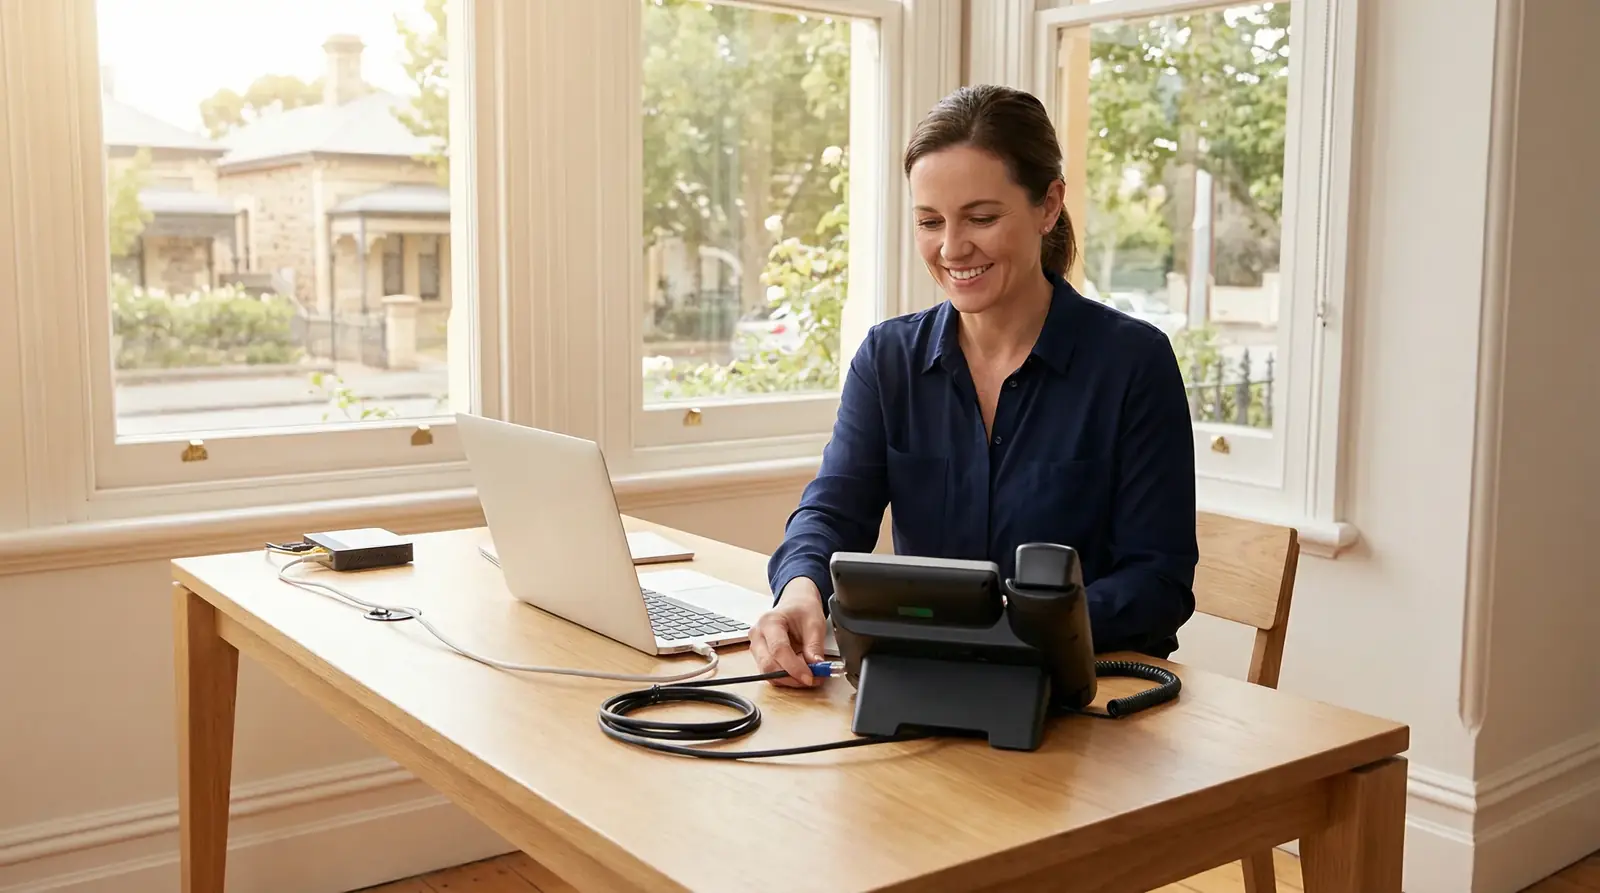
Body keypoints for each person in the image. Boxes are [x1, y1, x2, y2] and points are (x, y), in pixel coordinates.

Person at [753, 84, 1199, 688]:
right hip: (927, 686)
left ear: (1048, 206)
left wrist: (1003, 627)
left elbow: (1157, 583)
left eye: (982, 218)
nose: (952, 248)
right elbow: (832, 510)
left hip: (1084, 699)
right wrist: (799, 591)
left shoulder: (1132, 363)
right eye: (930, 221)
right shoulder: (889, 359)